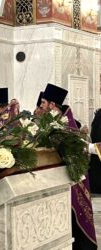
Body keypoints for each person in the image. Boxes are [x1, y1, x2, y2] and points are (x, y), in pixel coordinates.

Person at [41, 83, 97, 250]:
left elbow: (76, 150)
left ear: (52, 105)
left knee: (76, 218)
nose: (41, 106)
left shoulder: (65, 125)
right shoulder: (53, 123)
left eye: (43, 103)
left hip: (74, 179)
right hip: (62, 181)